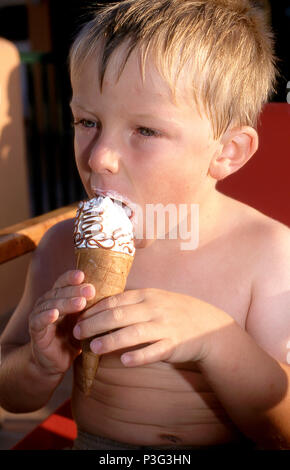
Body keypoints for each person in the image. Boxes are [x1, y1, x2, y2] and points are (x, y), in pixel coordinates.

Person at [0, 0, 289, 450]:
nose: (98, 157)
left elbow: (283, 429)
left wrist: (217, 340)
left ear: (227, 152)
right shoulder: (61, 246)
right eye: (87, 121)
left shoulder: (267, 253)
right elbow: (10, 390)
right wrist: (38, 364)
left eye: (146, 131)